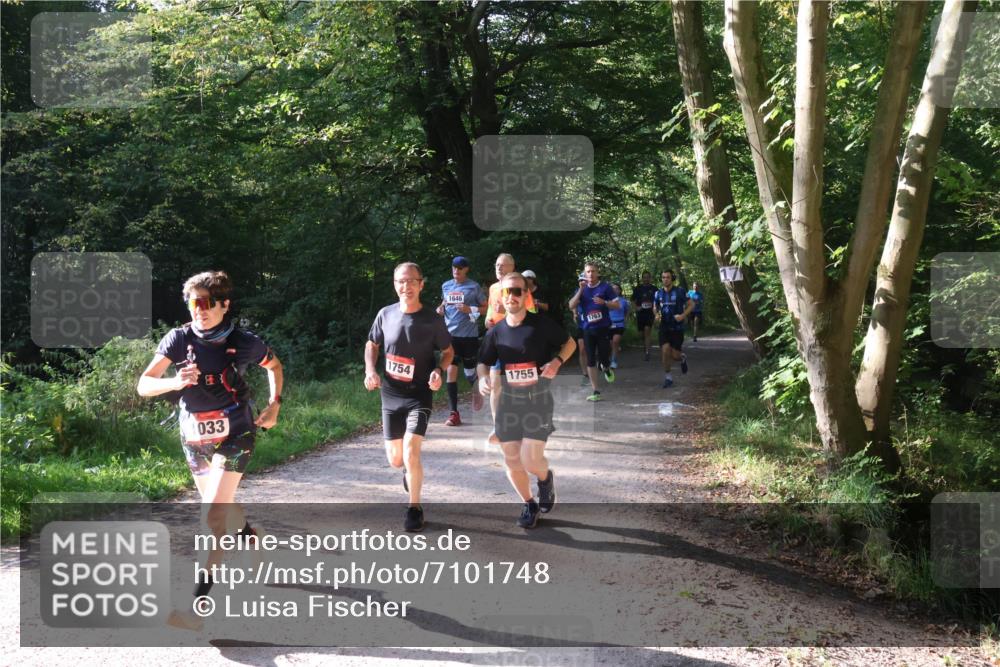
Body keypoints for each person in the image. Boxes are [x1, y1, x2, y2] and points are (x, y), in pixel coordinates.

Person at [137, 270, 284, 631]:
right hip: (194, 439)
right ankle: (253, 536)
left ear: (224, 304)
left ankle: (195, 610)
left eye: (206, 303)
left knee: (212, 518)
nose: (198, 310)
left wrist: (274, 404)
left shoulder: (242, 341)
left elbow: (274, 365)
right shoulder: (178, 339)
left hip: (236, 433)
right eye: (193, 303)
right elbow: (143, 385)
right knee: (224, 510)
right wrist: (175, 381)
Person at [477, 272, 576, 528]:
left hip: (538, 400)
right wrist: (482, 378)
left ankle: (545, 478)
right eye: (506, 292)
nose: (511, 296)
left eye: (517, 291)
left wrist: (556, 361)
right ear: (501, 296)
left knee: (530, 460)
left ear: (526, 294)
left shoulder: (541, 324)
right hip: (509, 403)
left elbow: (570, 344)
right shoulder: (496, 332)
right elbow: (483, 363)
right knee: (511, 458)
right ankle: (529, 503)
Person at [365, 262, 454, 532]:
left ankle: (414, 508)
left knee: (412, 451)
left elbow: (448, 352)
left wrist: (439, 370)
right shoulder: (385, 314)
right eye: (401, 282)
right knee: (396, 459)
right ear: (395, 284)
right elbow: (372, 344)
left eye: (411, 281)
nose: (406, 287)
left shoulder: (432, 320)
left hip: (419, 396)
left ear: (421, 284)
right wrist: (370, 370)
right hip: (391, 395)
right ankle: (408, 472)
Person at [484, 253, 534, 441]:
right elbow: (491, 309)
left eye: (503, 266)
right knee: (495, 382)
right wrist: (488, 320)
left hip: (519, 341)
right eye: (497, 265)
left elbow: (530, 313)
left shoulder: (521, 288)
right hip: (499, 340)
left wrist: (507, 312)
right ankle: (498, 427)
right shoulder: (493, 288)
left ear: (513, 268)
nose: (499, 268)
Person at [437, 256, 487, 426]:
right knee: (451, 371)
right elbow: (444, 302)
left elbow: (485, 308)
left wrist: (469, 309)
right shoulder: (446, 285)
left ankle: (477, 390)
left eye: (460, 268)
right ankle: (454, 414)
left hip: (469, 336)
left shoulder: (474, 286)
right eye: (454, 268)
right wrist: (441, 308)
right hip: (450, 336)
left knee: (469, 373)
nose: (456, 271)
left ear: (466, 269)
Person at [568, 262, 621, 402]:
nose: (590, 274)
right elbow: (571, 305)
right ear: (584, 274)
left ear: (598, 273)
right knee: (590, 359)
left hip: (603, 328)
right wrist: (580, 290)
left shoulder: (605, 287)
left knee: (604, 357)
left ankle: (607, 368)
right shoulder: (581, 289)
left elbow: (617, 305)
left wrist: (604, 303)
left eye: (593, 271)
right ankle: (596, 391)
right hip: (587, 329)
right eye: (588, 272)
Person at [653, 269, 694, 388]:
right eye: (663, 277)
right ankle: (668, 378)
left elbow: (691, 305)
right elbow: (655, 307)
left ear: (672, 279)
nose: (665, 279)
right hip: (664, 327)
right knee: (665, 351)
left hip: (677, 328)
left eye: (668, 277)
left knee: (675, 355)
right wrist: (656, 314)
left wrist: (682, 315)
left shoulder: (680, 291)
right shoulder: (658, 293)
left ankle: (682, 358)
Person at [631, 271, 657, 361]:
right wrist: (636, 308)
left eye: (647, 277)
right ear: (642, 278)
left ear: (650, 278)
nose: (646, 279)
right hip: (641, 313)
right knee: (641, 334)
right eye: (644, 277)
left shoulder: (654, 289)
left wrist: (656, 310)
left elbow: (657, 301)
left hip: (650, 313)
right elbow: (633, 300)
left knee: (647, 330)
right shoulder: (638, 288)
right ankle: (646, 345)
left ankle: (647, 352)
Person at [609, 282, 629, 369]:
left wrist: (625, 319)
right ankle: (615, 349)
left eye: (617, 288)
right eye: (613, 289)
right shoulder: (607, 300)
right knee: (611, 343)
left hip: (619, 324)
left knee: (615, 341)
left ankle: (613, 361)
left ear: (620, 290)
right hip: (608, 325)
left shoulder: (624, 301)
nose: (615, 290)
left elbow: (627, 312)